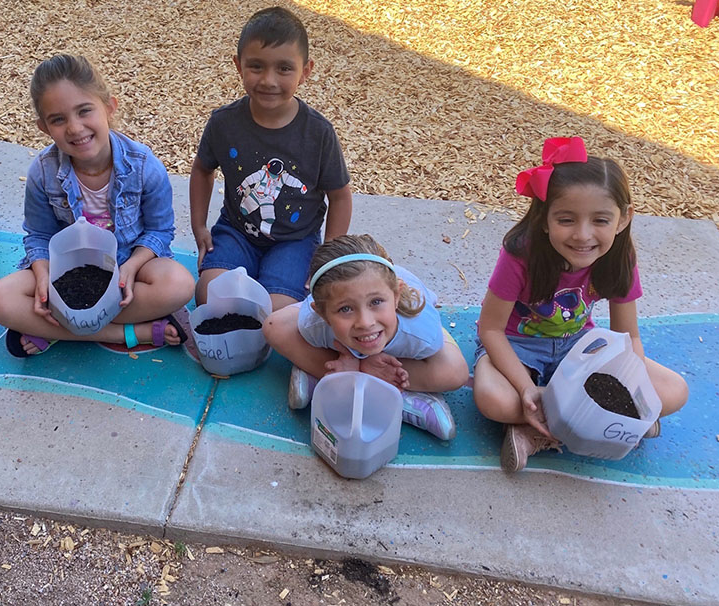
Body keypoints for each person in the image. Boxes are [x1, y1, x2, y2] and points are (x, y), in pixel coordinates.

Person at [472, 137, 689, 471]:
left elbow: (628, 338)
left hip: (580, 348)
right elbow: (490, 329)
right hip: (517, 347)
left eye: (600, 220)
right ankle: (569, 423)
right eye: (566, 219)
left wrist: (629, 386)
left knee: (674, 392)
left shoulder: (620, 258)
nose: (583, 235)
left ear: (624, 218)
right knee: (494, 399)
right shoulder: (520, 254)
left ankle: (538, 429)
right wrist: (528, 389)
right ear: (544, 219)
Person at [0, 54, 194, 356]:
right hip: (67, 275)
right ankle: (130, 333)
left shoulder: (144, 166)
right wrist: (43, 276)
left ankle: (56, 329)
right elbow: (39, 236)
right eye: (58, 119)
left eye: (84, 111)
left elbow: (160, 231)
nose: (74, 128)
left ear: (109, 107)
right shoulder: (42, 172)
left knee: (178, 284)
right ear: (44, 127)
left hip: (126, 268)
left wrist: (133, 266)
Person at [190, 7, 353, 315]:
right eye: (256, 66)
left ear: (306, 70)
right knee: (209, 295)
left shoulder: (318, 133)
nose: (268, 80)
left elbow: (340, 196)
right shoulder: (224, 124)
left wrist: (328, 256)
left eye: (284, 68)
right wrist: (199, 226)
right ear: (238, 66)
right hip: (236, 231)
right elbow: (202, 169)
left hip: (295, 241)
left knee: (278, 313)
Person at [263, 235, 470, 440]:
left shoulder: (421, 332)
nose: (365, 322)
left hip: (410, 325)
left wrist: (359, 366)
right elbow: (276, 325)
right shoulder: (315, 323)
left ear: (396, 296)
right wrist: (365, 365)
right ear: (322, 314)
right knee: (274, 326)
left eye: (376, 302)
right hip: (347, 330)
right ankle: (349, 377)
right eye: (345, 308)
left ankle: (370, 388)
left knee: (454, 372)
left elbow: (455, 371)